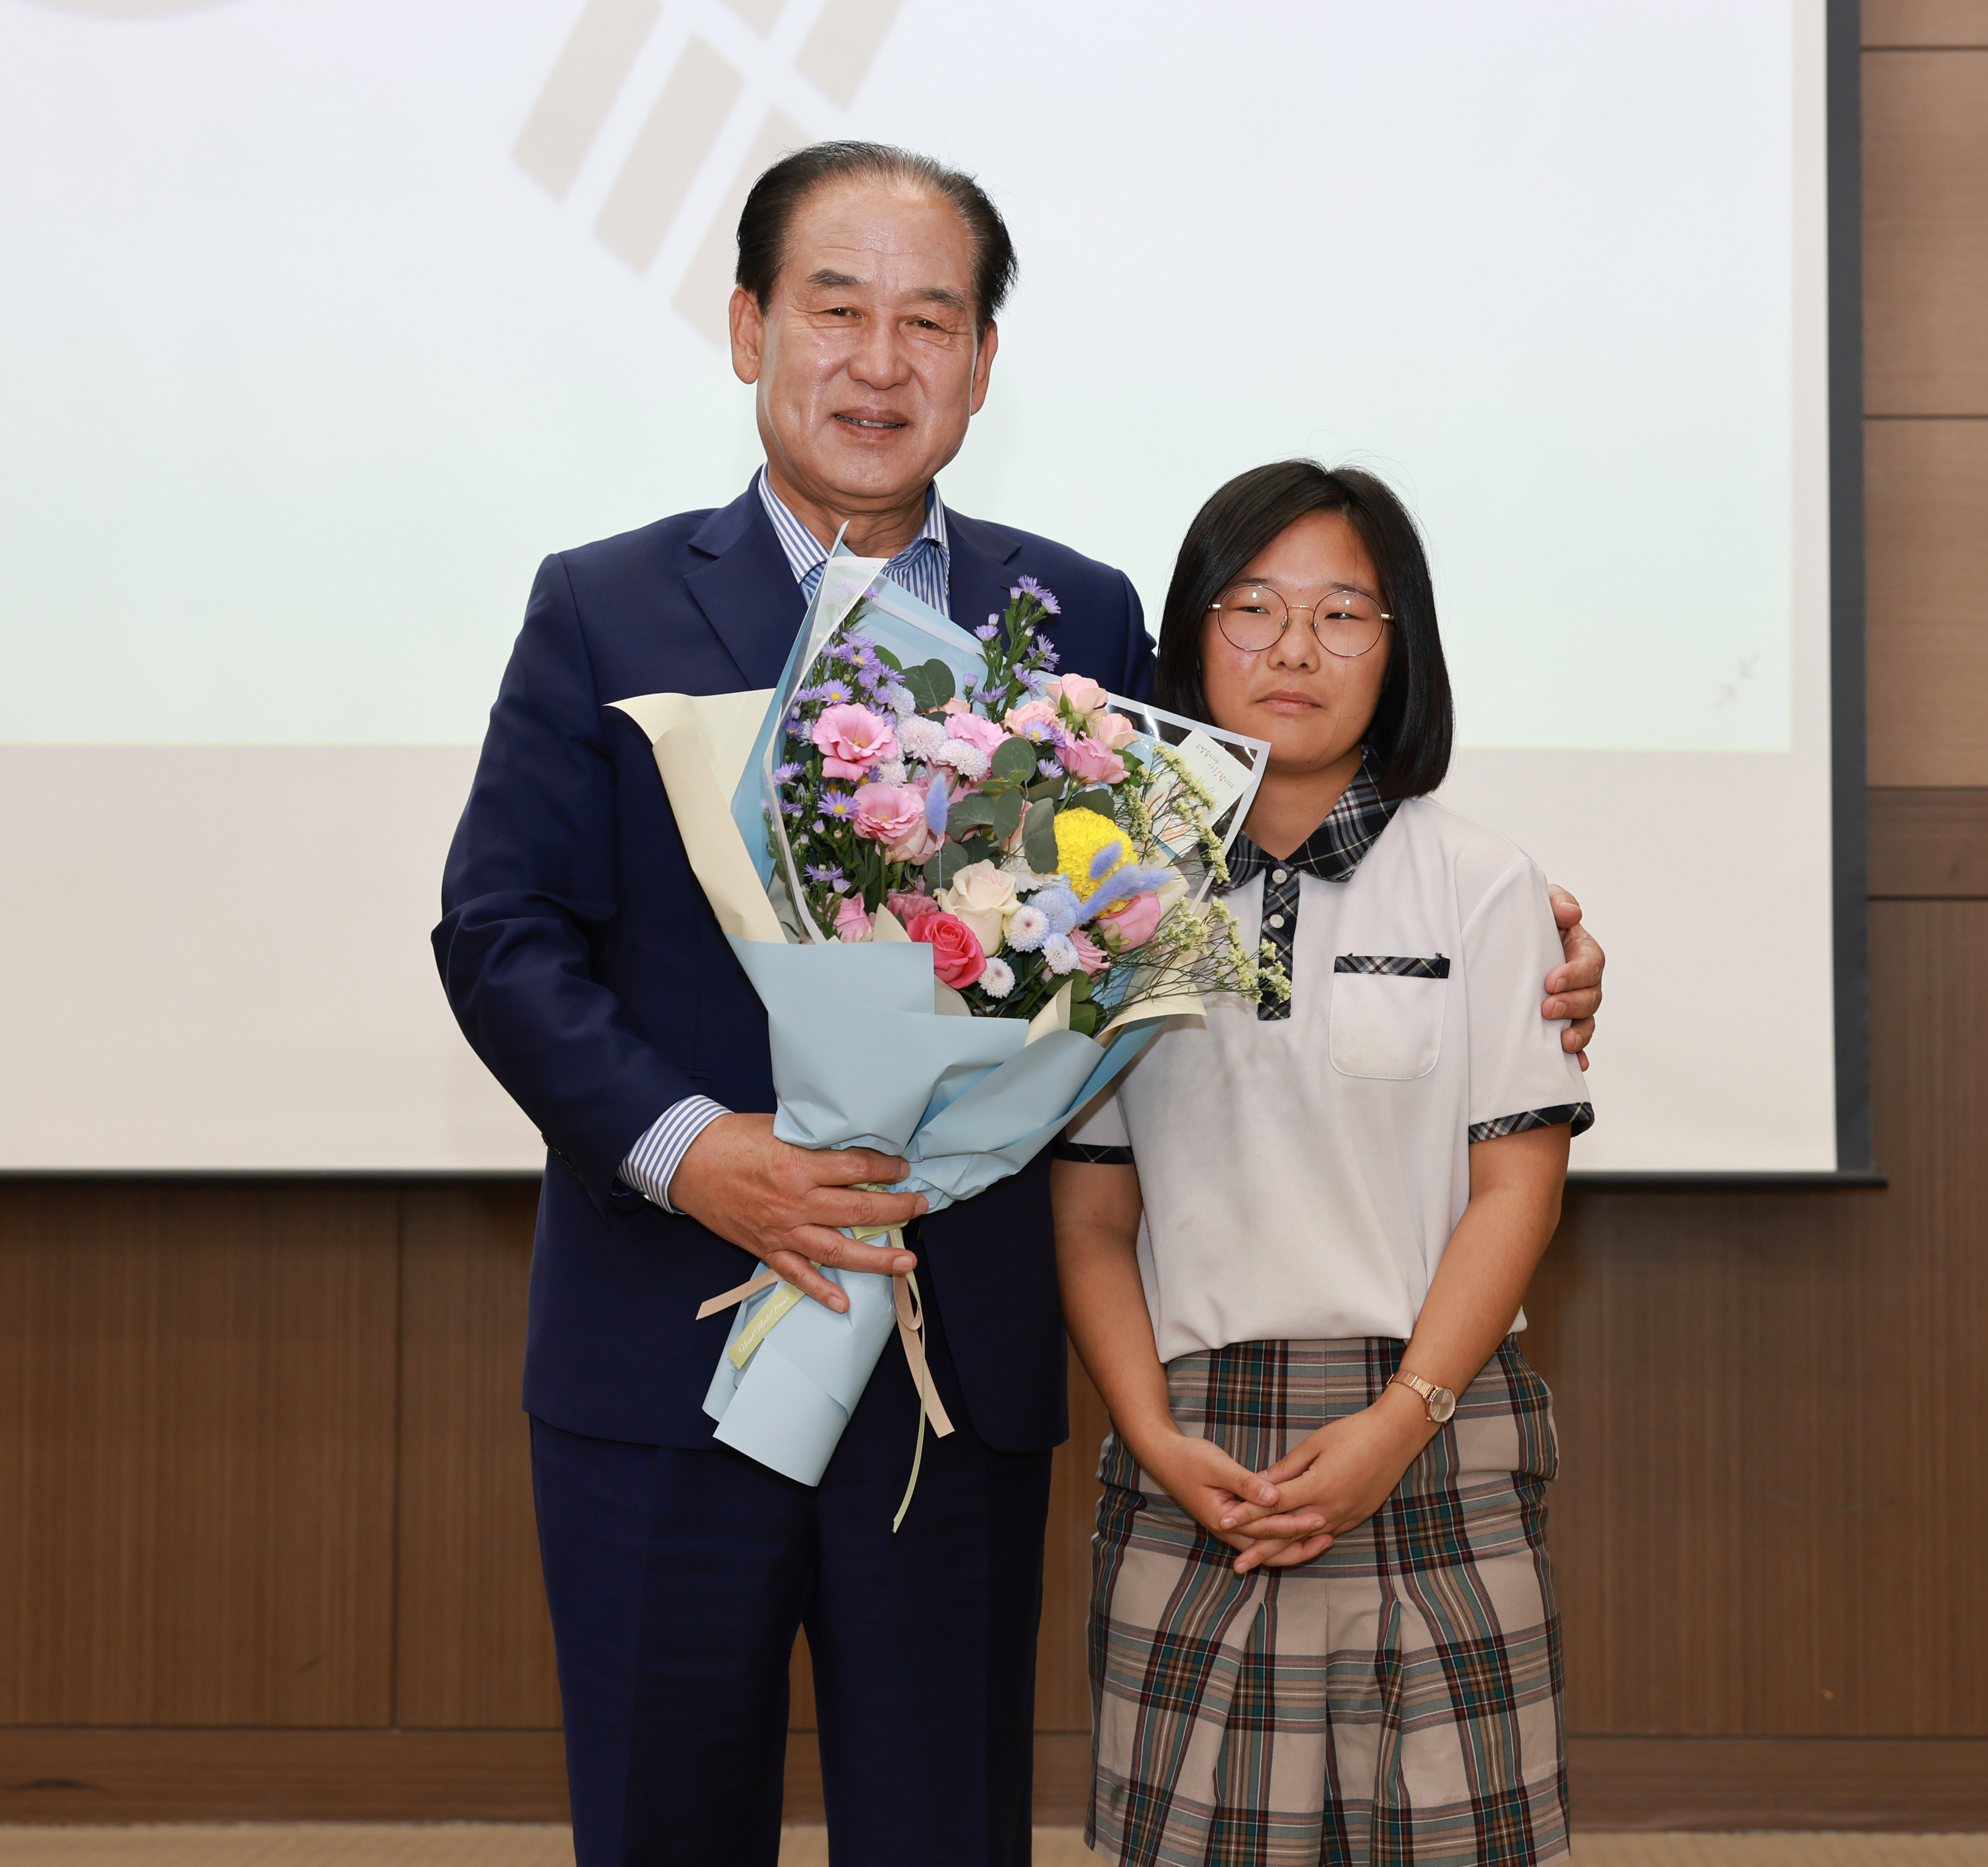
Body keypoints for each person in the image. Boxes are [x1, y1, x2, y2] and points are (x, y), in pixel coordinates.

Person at [433, 144, 1606, 1867]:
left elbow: (1206, 881)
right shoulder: (604, 604)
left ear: (983, 365)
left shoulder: (1079, 619)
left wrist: (1542, 941)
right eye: (837, 311)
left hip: (955, 1359)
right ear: (750, 324)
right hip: (665, 1345)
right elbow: (501, 935)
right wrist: (698, 1154)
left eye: (933, 320)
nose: (881, 361)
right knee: (663, 1825)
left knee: (946, 1829)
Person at [1055, 461, 1590, 1866]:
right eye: (1255, 607)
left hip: (1431, 1429)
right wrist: (1154, 1436)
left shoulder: (1479, 882)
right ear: (1191, 637)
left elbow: (1517, 1190)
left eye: (1344, 613)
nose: (1295, 648)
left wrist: (1397, 1421)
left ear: (1399, 647)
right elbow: (1092, 1222)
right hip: (1197, 1457)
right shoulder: (1114, 893)